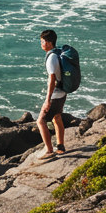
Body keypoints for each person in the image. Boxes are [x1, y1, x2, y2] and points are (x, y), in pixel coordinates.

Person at [37, 29, 68, 159]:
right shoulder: (57, 53)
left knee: (41, 121)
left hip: (56, 94)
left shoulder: (51, 58)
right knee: (57, 117)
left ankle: (49, 151)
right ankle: (60, 146)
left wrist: (47, 100)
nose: (41, 44)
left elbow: (52, 80)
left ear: (49, 43)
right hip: (63, 91)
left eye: (43, 41)